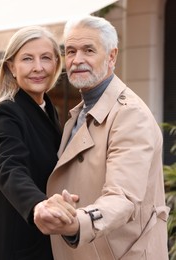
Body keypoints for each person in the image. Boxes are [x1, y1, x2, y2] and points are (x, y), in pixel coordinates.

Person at [34, 15, 170, 259]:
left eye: (88, 50)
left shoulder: (130, 114)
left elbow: (123, 197)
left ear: (111, 56)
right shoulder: (79, 113)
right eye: (71, 51)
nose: (77, 60)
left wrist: (78, 223)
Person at [0, 25, 78, 260]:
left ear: (56, 63)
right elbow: (8, 167)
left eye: (45, 58)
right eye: (27, 59)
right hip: (15, 244)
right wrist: (37, 204)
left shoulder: (47, 108)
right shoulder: (6, 111)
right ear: (12, 66)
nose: (38, 68)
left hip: (41, 241)